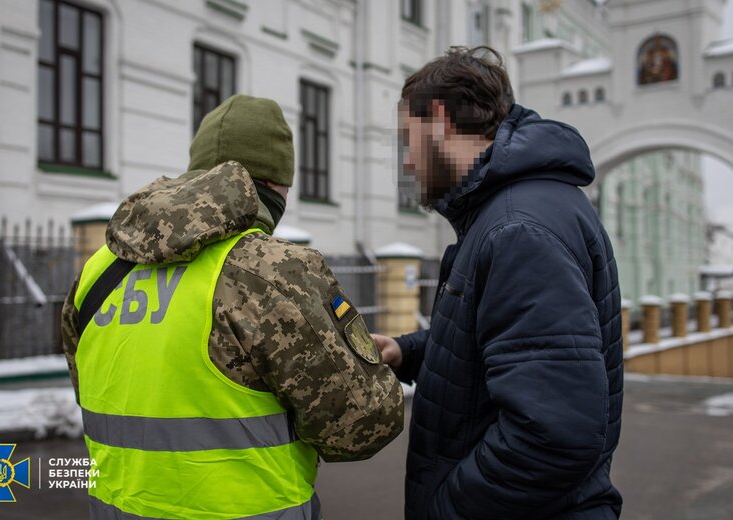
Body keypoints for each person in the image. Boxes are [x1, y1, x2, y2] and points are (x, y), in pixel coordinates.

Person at [61, 95, 404, 520]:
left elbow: (93, 393)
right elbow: (361, 426)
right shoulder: (274, 272)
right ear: (277, 185)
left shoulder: (96, 272)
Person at [373, 46, 624, 519]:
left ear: (441, 121)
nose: (407, 163)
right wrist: (407, 352)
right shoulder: (515, 210)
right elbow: (506, 350)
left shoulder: (517, 228)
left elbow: (553, 434)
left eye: (408, 139)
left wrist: (446, 508)